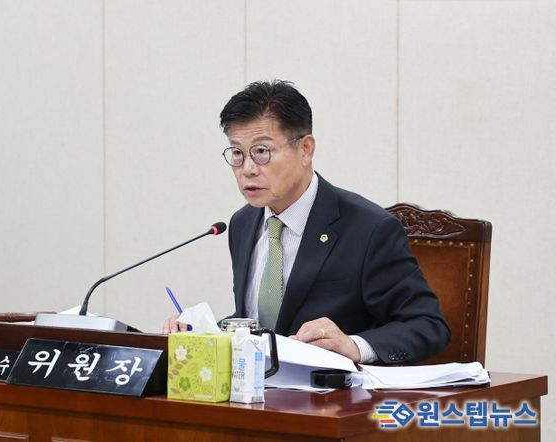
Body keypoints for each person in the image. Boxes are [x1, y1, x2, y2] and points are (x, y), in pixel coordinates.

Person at [163, 80, 450, 364]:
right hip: (260, 389)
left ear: (305, 149)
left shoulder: (369, 229)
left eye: (261, 152)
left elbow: (428, 325)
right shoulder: (242, 223)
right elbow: (263, 324)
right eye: (237, 153)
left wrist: (354, 346)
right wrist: (202, 332)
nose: (247, 169)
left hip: (334, 391)